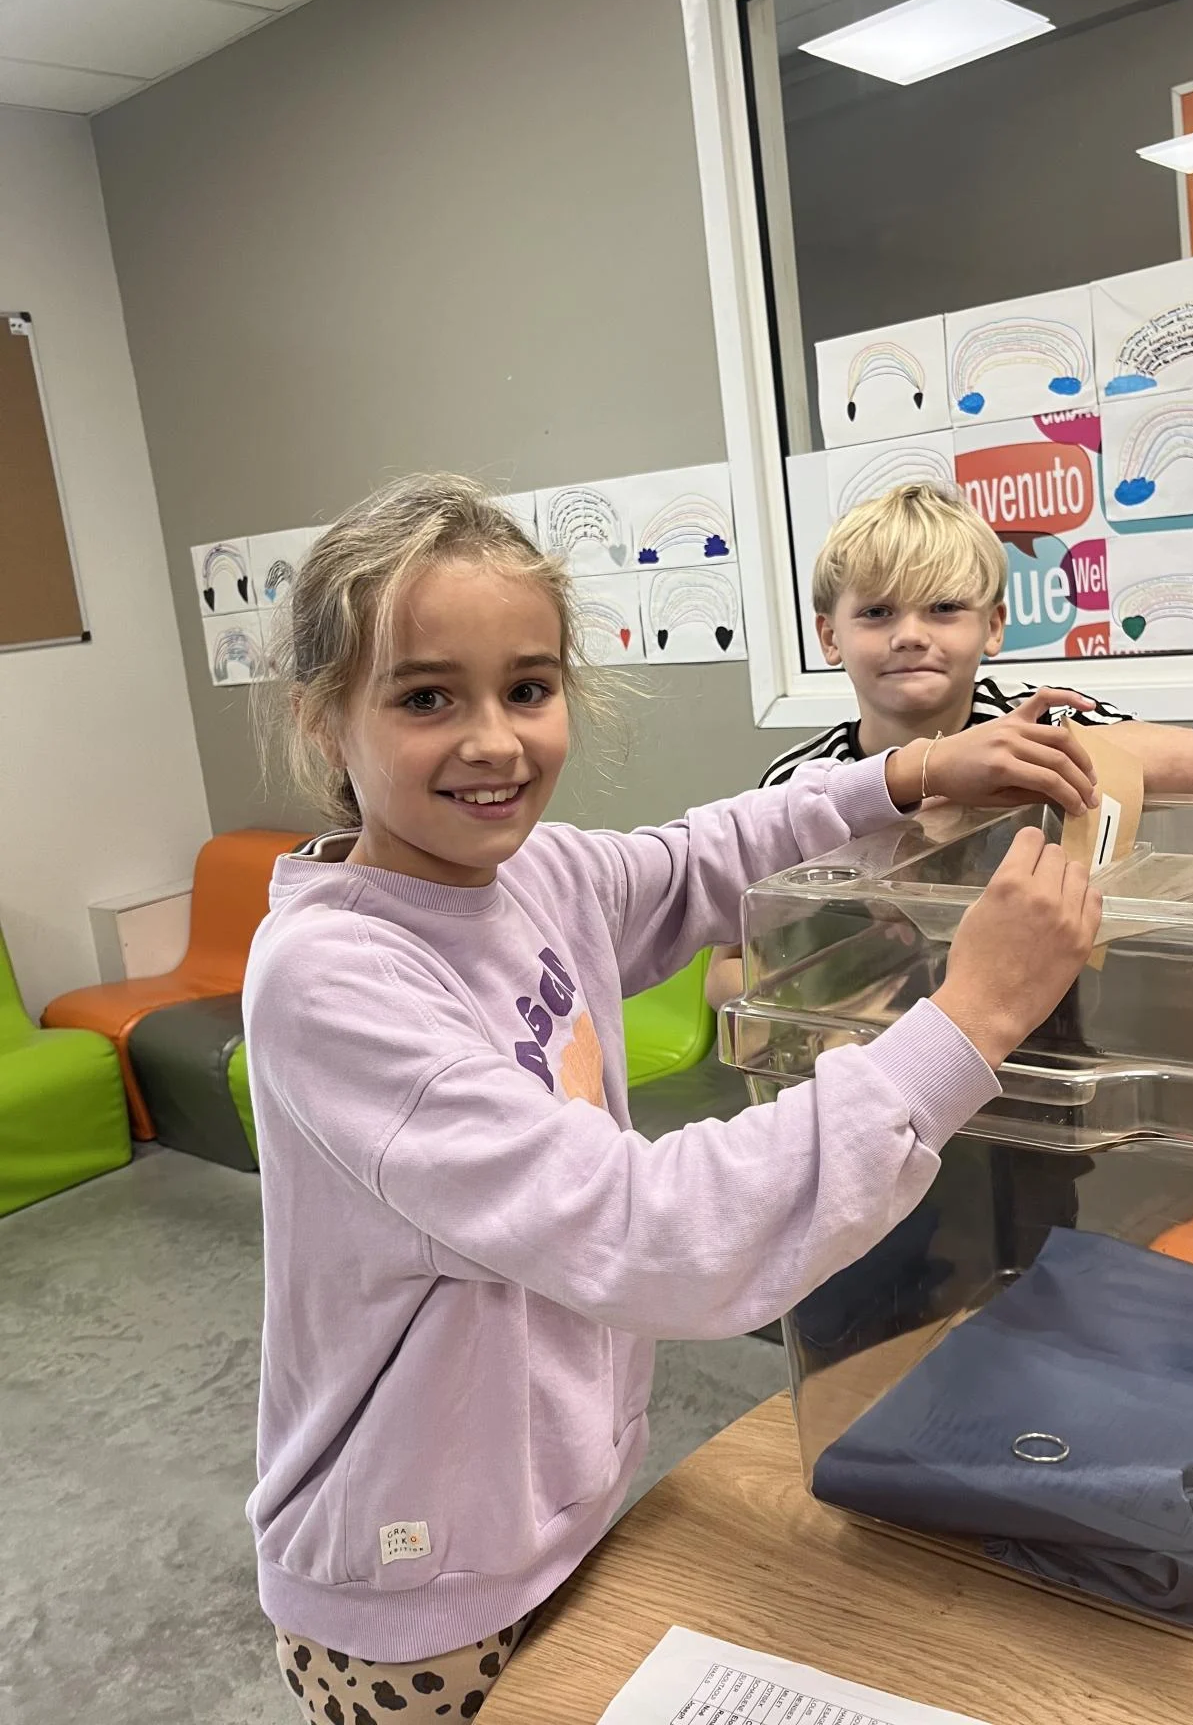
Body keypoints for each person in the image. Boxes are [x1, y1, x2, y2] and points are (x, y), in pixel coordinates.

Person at [246, 472, 1103, 1723]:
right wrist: (969, 1021)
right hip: (417, 1590)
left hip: (562, 1508)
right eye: (427, 697)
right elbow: (645, 1229)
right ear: (325, 720)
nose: (495, 743)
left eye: (528, 689)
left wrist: (910, 773)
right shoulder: (336, 977)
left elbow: (703, 852)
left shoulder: (535, 874)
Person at [706, 482, 1193, 1010]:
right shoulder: (803, 778)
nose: (910, 635)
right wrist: (818, 986)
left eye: (944, 607)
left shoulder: (1032, 718)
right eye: (877, 612)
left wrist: (990, 773)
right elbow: (725, 970)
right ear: (830, 636)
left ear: (992, 626)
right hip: (871, 1031)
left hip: (1036, 1021)